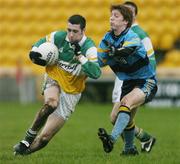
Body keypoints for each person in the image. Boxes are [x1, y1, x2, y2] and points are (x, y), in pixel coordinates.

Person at [13, 14, 101, 155]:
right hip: (54, 78)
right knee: (52, 103)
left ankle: (22, 153)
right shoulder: (59, 37)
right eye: (69, 30)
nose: (70, 35)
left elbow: (96, 73)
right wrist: (34, 53)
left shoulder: (89, 48)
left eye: (75, 31)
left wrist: (81, 57)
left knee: (45, 138)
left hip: (72, 92)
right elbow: (38, 44)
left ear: (83, 31)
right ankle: (29, 137)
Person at [97, 4, 157, 156]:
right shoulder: (107, 38)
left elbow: (127, 50)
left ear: (126, 21)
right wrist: (81, 60)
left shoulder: (133, 36)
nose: (111, 18)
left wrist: (114, 52)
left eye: (116, 16)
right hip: (128, 81)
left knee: (126, 104)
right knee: (117, 117)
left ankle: (112, 139)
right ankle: (132, 147)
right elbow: (99, 62)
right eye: (111, 15)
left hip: (145, 80)